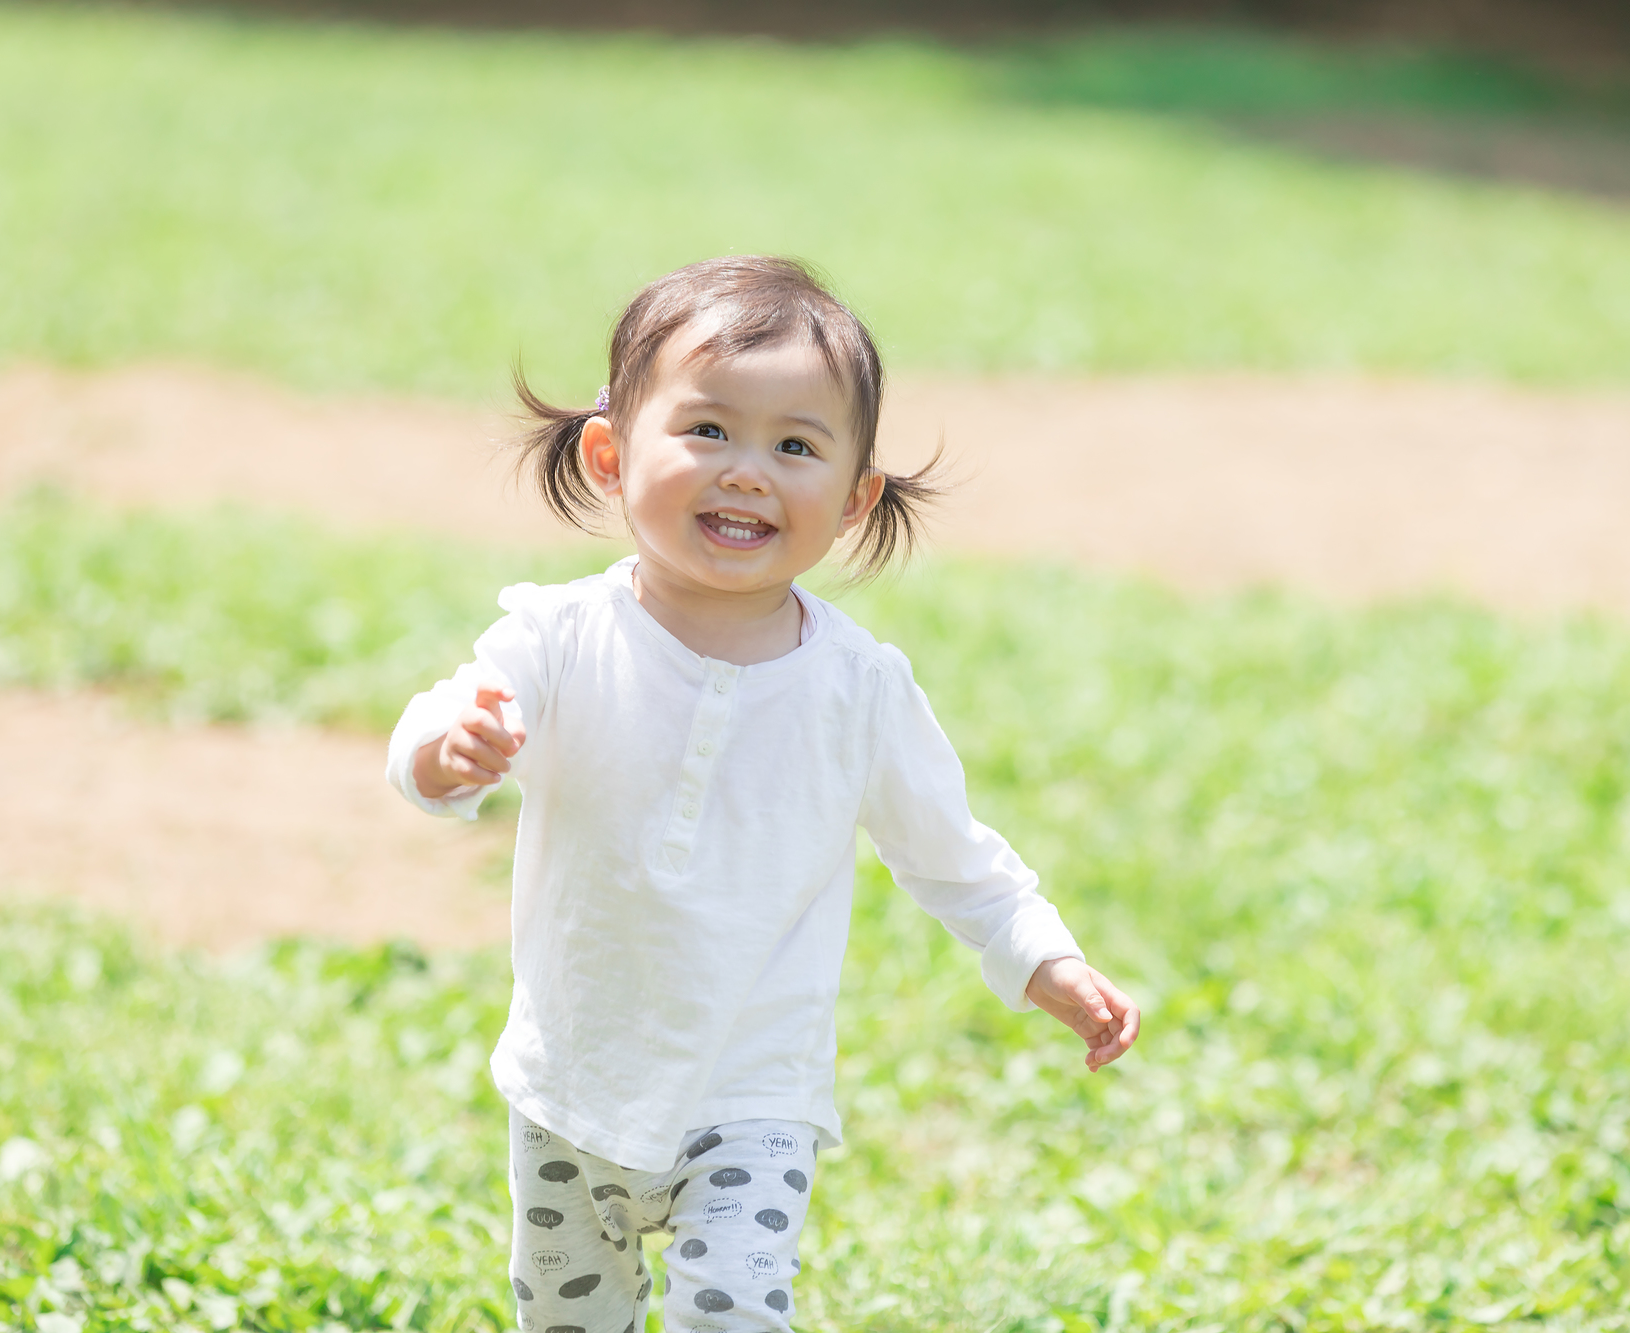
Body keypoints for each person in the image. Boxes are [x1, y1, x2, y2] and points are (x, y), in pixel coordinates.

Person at [385, 256, 1139, 1333]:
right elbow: (432, 730)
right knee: (566, 1316)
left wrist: (1044, 958)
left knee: (733, 1311)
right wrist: (444, 753)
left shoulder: (857, 690)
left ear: (852, 498)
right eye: (707, 431)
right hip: (573, 1076)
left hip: (753, 1092)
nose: (747, 471)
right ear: (609, 452)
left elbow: (951, 855)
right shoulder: (556, 638)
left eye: (795, 446)